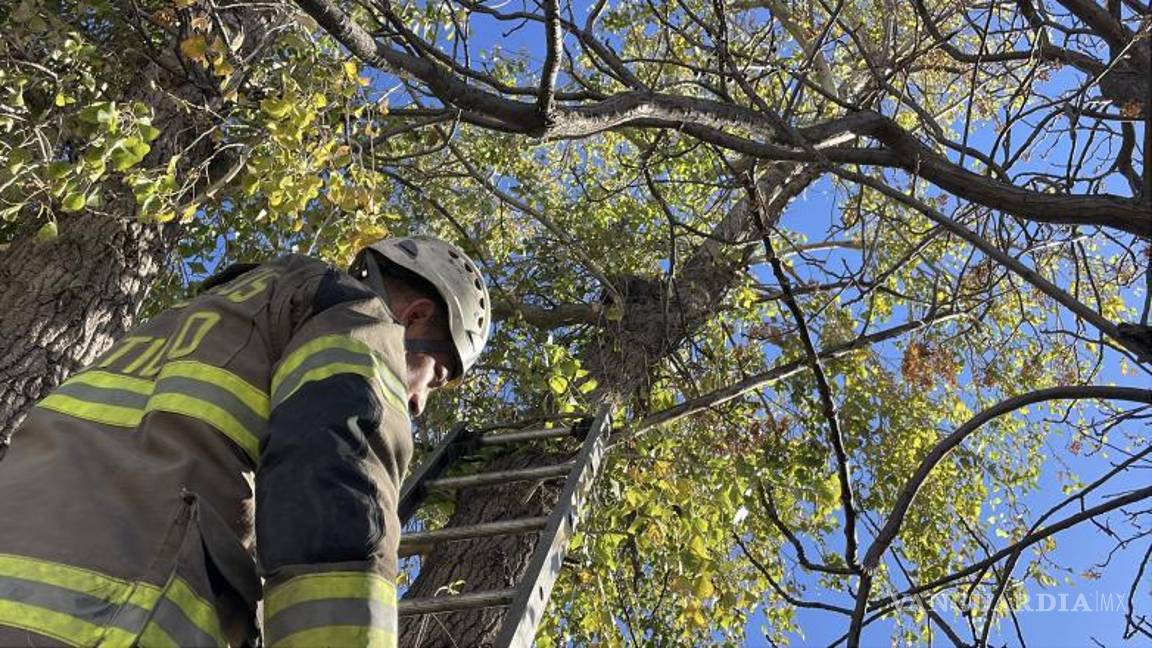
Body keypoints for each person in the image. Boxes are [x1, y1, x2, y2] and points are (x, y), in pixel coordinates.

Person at [0, 236, 491, 647]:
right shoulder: (355, 315)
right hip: (106, 620)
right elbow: (335, 474)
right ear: (415, 318)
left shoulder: (183, 323)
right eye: (437, 374)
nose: (421, 401)